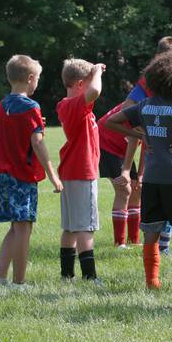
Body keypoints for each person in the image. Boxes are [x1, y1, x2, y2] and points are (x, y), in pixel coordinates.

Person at [104, 51, 172, 288]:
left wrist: (138, 134)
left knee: (151, 233)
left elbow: (109, 121)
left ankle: (152, 281)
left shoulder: (144, 106)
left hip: (152, 178)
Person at [0, 55, 63, 287]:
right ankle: (19, 283)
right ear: (30, 79)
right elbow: (37, 143)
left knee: (16, 226)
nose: (37, 82)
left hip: (4, 175)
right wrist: (53, 175)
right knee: (24, 228)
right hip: (21, 175)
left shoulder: (3, 105)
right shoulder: (31, 107)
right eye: (37, 78)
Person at [123, 36, 172, 255]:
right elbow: (129, 106)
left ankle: (164, 248)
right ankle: (164, 249)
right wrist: (142, 132)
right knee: (164, 209)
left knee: (167, 208)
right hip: (160, 158)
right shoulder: (146, 83)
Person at [57, 58, 105, 282]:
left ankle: (67, 274)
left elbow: (91, 89)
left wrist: (93, 73)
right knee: (86, 226)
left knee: (70, 226)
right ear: (79, 85)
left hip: (70, 172)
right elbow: (95, 90)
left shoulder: (65, 105)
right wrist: (97, 73)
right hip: (82, 172)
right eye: (87, 81)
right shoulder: (75, 105)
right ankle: (90, 276)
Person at [97, 102, 141, 248]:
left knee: (136, 189)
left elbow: (147, 146)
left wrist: (140, 176)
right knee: (124, 189)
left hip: (122, 146)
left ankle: (133, 241)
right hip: (106, 144)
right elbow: (134, 138)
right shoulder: (144, 106)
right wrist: (126, 171)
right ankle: (119, 243)